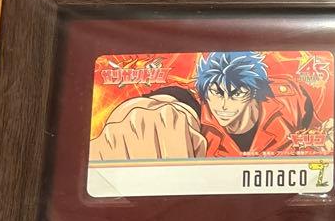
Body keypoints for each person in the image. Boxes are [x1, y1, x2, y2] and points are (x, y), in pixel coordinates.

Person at [89, 51, 320, 160]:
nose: (223, 105)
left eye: (236, 94)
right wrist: (143, 126)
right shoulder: (195, 109)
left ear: (253, 93)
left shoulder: (291, 99)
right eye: (215, 93)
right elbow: (165, 105)